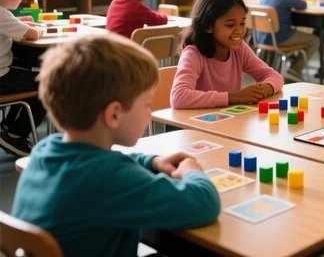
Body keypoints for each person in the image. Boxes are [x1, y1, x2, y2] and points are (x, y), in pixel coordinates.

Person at [12, 34, 220, 256]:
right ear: (113, 114)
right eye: (146, 104)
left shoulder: (46, 150)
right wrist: (193, 172)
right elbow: (203, 204)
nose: (149, 113)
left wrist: (152, 161)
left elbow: (110, 164)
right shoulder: (109, 178)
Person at [171, 0, 283, 109]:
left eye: (242, 23)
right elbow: (178, 97)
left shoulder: (239, 49)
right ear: (208, 26)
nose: (239, 31)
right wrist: (234, 97)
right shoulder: (193, 54)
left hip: (227, 120)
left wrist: (264, 89)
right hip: (196, 123)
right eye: (230, 25)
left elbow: (273, 75)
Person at [0, 0, 45, 156]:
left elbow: (10, 26)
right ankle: (16, 135)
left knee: (26, 72)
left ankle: (8, 127)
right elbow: (33, 34)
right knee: (47, 84)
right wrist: (40, 28)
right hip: (2, 76)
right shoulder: (1, 14)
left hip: (5, 69)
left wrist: (20, 23)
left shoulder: (3, 14)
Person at [258, 0, 319, 83]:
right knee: (315, 40)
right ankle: (295, 70)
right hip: (280, 38)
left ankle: (292, 64)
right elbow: (303, 5)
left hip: (262, 37)